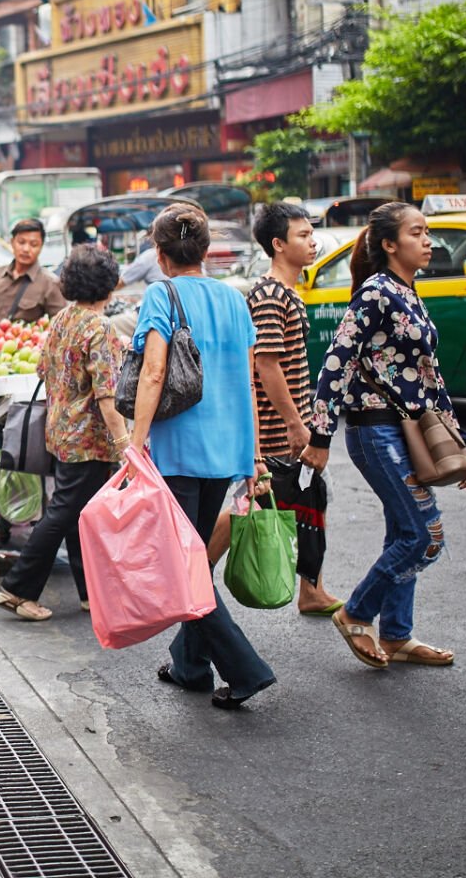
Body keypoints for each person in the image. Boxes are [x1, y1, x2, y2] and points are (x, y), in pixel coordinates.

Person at [302, 202, 466, 671]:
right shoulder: (375, 294)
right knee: (426, 535)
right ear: (389, 244)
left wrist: (462, 444)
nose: (428, 241)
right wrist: (320, 436)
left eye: (427, 233)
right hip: (374, 431)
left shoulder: (409, 292)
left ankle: (397, 635)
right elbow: (336, 364)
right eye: (417, 233)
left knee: (404, 531)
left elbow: (430, 376)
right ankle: (357, 612)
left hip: (407, 430)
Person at [128, 203, 276, 711]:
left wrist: (133, 441)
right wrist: (253, 453)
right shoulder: (235, 299)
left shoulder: (159, 294)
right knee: (191, 561)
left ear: (160, 254)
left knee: (181, 569)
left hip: (179, 450)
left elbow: (152, 373)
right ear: (207, 251)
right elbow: (247, 382)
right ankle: (190, 666)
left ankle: (245, 669)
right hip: (226, 449)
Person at [207, 203, 341, 615]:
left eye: (311, 233)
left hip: (287, 427)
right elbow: (265, 364)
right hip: (273, 432)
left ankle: (313, 588)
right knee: (255, 507)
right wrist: (295, 424)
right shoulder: (269, 295)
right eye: (302, 235)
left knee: (310, 498)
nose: (312, 241)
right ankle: (193, 574)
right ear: (278, 244)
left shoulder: (285, 292)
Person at [0, 247, 127, 622]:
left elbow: (42, 369)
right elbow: (107, 394)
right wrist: (124, 444)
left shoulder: (63, 319)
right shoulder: (100, 328)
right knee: (64, 511)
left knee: (76, 512)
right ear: (108, 286)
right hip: (88, 440)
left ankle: (88, 593)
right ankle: (17, 588)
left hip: (59, 431)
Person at [0, 218, 67, 334]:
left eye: (33, 244)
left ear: (41, 246)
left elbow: (61, 325)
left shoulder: (50, 283)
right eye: (21, 242)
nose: (26, 249)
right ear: (12, 242)